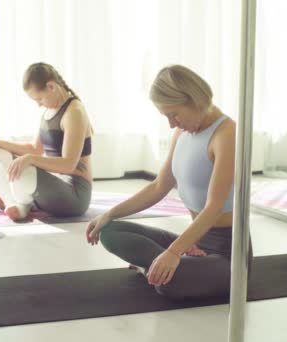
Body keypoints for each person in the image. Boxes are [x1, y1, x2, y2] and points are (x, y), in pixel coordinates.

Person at [86, 65, 252, 299]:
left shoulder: (227, 134)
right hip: (195, 240)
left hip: (227, 253)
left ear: (194, 100)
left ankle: (158, 269)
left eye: (173, 114)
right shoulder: (181, 133)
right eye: (166, 116)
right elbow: (158, 186)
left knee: (170, 284)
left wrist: (174, 252)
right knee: (110, 231)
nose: (171, 124)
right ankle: (165, 266)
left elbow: (214, 208)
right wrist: (109, 214)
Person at [0, 62, 94, 221]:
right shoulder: (48, 111)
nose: (38, 104)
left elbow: (68, 164)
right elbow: (34, 149)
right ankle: (16, 204)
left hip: (74, 195)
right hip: (51, 186)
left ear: (51, 86)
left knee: (24, 167)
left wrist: (30, 160)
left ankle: (22, 203)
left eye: (39, 98)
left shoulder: (74, 111)